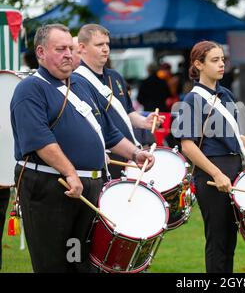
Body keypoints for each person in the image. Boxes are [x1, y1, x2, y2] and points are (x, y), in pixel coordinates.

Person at [10, 24, 155, 273]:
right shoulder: (30, 89)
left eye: (70, 48)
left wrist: (134, 153)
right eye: (60, 49)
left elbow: (108, 132)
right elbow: (40, 140)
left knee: (80, 262)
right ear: (41, 53)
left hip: (87, 189)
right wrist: (70, 172)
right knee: (54, 263)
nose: (68, 54)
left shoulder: (79, 84)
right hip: (53, 187)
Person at [173, 40, 245, 273]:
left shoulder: (225, 94)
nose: (221, 64)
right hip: (212, 175)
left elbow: (235, 136)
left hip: (232, 170)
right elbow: (187, 146)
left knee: (230, 241)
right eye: (215, 60)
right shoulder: (192, 100)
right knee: (218, 241)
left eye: (223, 59)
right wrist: (216, 173)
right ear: (198, 65)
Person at [73, 24, 163, 178]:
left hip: (130, 151)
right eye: (99, 45)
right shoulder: (76, 82)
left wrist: (143, 122)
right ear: (82, 47)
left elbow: (127, 112)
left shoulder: (115, 77)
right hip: (106, 156)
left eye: (107, 44)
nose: (105, 49)